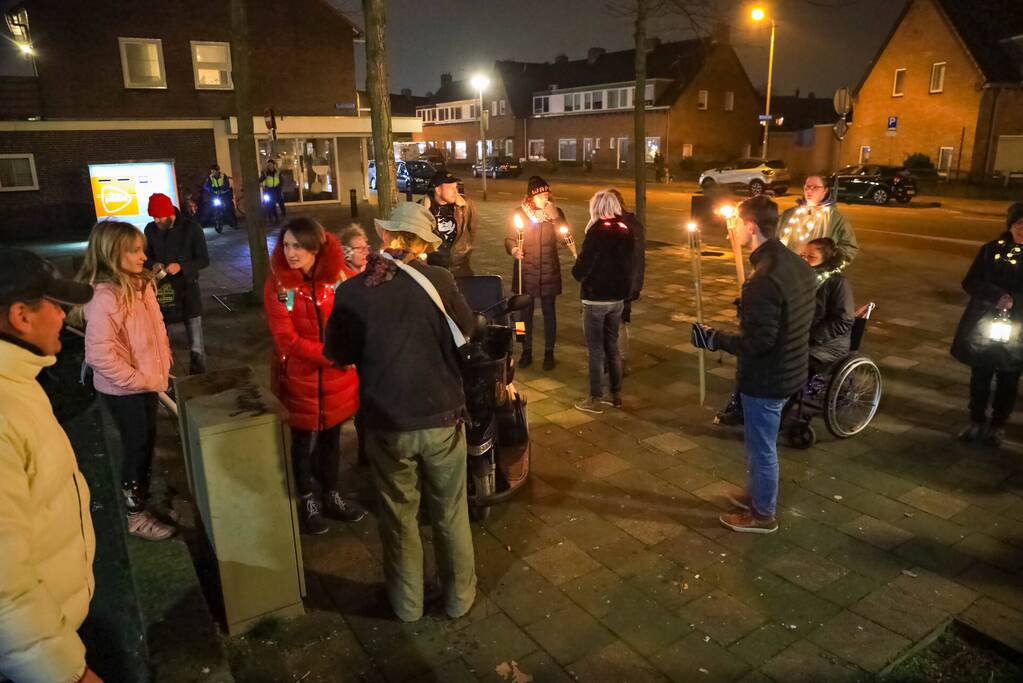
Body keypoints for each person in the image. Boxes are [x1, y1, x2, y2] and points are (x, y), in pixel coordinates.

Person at [324, 202, 477, 624]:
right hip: (442, 415)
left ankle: (408, 605)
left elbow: (338, 353)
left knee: (398, 516)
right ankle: (459, 599)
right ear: (423, 244)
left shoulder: (353, 291)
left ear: (386, 236)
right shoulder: (440, 280)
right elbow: (468, 330)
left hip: (387, 421)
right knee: (450, 512)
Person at [0, 250, 103, 683]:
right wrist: (67, 674)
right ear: (21, 316)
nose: (63, 316)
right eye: (55, 305)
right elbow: (5, 588)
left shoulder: (18, 383)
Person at [691, 195, 815, 534]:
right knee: (760, 443)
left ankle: (762, 515)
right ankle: (756, 495)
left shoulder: (764, 279)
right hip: (791, 368)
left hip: (768, 378)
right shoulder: (795, 263)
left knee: (762, 448)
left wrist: (714, 339)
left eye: (735, 224)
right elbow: (787, 317)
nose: (731, 230)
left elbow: (758, 343)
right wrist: (750, 310)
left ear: (750, 226)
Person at [76, 220, 176, 541]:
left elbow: (156, 330)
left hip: (147, 382)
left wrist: (162, 366)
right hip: (124, 390)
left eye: (142, 250)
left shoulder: (141, 285)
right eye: (134, 251)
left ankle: (144, 500)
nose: (143, 257)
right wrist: (140, 379)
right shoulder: (105, 297)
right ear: (111, 253)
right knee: (136, 448)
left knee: (146, 442)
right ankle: (136, 516)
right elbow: (99, 356)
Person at [264, 218, 366, 534]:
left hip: (338, 380)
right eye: (286, 245)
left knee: (332, 437)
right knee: (301, 441)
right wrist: (333, 356)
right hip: (300, 378)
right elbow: (286, 339)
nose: (291, 253)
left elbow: (357, 318)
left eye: (298, 245)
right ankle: (306, 499)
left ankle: (331, 494)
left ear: (316, 247)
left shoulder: (339, 278)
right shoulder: (279, 286)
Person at [951, 202, 1023, 447]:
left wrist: (1015, 301)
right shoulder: (991, 250)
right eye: (1019, 223)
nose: (1022, 228)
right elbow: (970, 281)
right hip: (984, 324)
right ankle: (976, 420)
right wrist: (996, 296)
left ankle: (998, 425)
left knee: (1009, 377)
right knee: (981, 373)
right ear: (1011, 225)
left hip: (1018, 328)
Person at [572, 190, 634, 414]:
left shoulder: (596, 232)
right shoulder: (625, 230)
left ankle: (594, 397)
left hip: (596, 299)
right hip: (617, 299)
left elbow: (582, 269)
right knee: (612, 347)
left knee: (596, 350)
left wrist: (578, 270)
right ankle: (615, 395)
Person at [505, 176, 570, 370]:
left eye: (546, 194)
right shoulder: (520, 213)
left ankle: (549, 351)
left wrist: (555, 218)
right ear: (531, 197)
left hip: (549, 270)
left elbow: (565, 240)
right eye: (540, 195)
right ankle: (525, 349)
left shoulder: (555, 213)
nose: (544, 198)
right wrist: (513, 249)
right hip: (525, 271)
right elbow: (510, 238)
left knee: (550, 313)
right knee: (522, 315)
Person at [144, 192, 210, 375]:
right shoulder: (151, 230)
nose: (156, 221)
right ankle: (163, 374)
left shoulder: (192, 229)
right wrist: (153, 264)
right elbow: (145, 256)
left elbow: (204, 259)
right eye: (153, 217)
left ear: (169, 213)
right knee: (159, 336)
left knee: (196, 339)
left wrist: (182, 266)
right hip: (162, 289)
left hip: (188, 288)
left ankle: (199, 375)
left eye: (159, 217)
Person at [801, 237, 855, 376]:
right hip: (802, 338)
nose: (805, 260)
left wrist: (811, 337)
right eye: (803, 256)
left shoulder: (838, 283)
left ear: (826, 260)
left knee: (791, 362)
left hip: (828, 345)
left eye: (811, 257)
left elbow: (844, 319)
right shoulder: (802, 278)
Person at [778, 174, 859, 266]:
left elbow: (849, 247)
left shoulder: (836, 218)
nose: (809, 190)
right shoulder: (789, 214)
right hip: (788, 267)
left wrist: (830, 265)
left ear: (825, 190)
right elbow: (774, 237)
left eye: (815, 187)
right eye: (807, 186)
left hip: (815, 271)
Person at [609, 188, 645, 375]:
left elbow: (638, 258)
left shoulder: (631, 225)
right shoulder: (604, 223)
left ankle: (621, 361)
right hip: (606, 282)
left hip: (623, 282)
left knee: (619, 322)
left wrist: (635, 285)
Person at [420, 171, 477, 276]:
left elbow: (471, 230)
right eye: (451, 188)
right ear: (438, 190)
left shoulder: (465, 206)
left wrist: (463, 251)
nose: (456, 192)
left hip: (461, 269)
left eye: (456, 187)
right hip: (435, 271)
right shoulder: (422, 209)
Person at [202, 163, 236, 228]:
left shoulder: (223, 176)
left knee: (228, 207)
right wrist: (211, 189)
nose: (212, 173)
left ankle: (232, 222)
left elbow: (226, 184)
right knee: (212, 206)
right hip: (216, 195)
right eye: (211, 171)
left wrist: (222, 188)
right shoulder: (210, 177)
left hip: (224, 194)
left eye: (213, 171)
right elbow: (205, 185)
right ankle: (215, 219)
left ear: (217, 171)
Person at [260, 159, 286, 223]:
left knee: (281, 202)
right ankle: (276, 218)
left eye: (271, 164)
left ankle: (284, 214)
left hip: (277, 189)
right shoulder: (266, 173)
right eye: (268, 165)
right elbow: (261, 179)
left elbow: (282, 181)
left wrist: (280, 187)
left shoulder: (278, 172)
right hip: (270, 190)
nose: (269, 166)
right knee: (272, 204)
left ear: (274, 165)